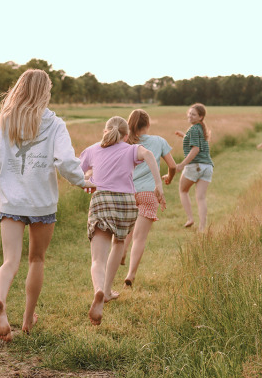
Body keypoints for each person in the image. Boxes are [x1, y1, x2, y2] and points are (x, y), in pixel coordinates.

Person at [0, 69, 86, 342]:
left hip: (11, 202)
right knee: (36, 259)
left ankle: (0, 301)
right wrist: (82, 180)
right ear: (45, 92)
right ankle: (27, 320)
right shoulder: (55, 124)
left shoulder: (5, 122)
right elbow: (65, 161)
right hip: (42, 204)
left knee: (10, 261)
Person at [80, 116, 164, 326]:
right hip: (126, 201)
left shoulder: (92, 149)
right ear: (126, 136)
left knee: (97, 259)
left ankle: (99, 290)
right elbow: (149, 154)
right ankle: (107, 291)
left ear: (105, 131)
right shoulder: (131, 149)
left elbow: (76, 174)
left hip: (102, 199)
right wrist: (158, 184)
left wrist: (88, 180)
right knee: (119, 243)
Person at [121, 109, 177, 287]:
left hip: (128, 192)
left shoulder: (126, 142)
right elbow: (173, 166)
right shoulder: (159, 141)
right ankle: (130, 274)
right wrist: (169, 177)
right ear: (148, 124)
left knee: (127, 229)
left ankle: (121, 252)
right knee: (140, 238)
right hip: (148, 193)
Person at [175, 103, 214, 232]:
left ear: (200, 117)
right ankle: (202, 228)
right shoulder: (201, 129)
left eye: (193, 114)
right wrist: (184, 136)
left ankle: (190, 218)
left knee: (183, 190)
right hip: (207, 167)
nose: (190, 116)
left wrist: (182, 164)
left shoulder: (193, 129)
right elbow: (197, 143)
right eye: (189, 113)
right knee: (201, 198)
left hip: (195, 166)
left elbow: (195, 149)